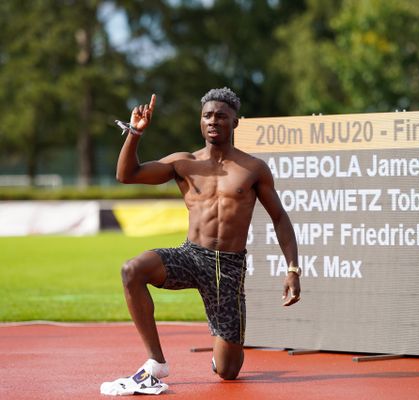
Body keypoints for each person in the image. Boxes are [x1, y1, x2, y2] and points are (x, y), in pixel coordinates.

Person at [100, 88, 301, 396]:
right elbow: (127, 174)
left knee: (228, 372)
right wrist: (135, 134)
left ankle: (221, 352)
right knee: (132, 270)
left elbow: (279, 218)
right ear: (200, 121)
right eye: (207, 115)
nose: (213, 121)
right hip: (190, 256)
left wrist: (293, 269)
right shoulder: (184, 162)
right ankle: (156, 363)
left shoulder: (253, 168)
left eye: (221, 115)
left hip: (228, 269)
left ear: (235, 122)